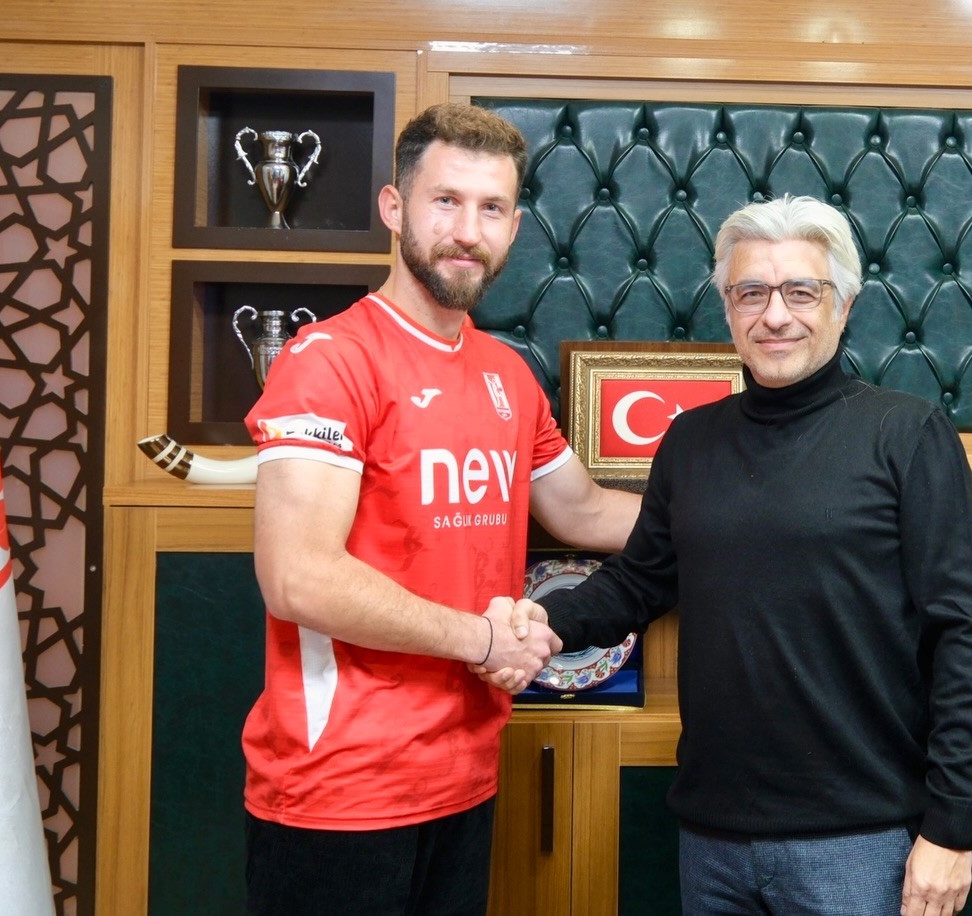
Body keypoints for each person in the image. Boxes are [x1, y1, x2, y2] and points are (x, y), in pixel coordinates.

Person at [495, 195, 972, 916]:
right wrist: (541, 624)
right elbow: (639, 582)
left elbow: (964, 640)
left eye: (801, 291)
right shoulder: (690, 441)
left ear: (843, 306)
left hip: (863, 841)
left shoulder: (908, 435)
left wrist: (951, 828)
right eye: (751, 292)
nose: (775, 315)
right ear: (728, 309)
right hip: (713, 839)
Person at [239, 102, 640, 916]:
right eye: (445, 201)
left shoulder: (506, 373)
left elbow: (584, 511)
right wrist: (483, 639)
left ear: (513, 228)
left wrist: (742, 508)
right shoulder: (329, 362)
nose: (466, 231)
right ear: (394, 208)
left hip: (463, 774)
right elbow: (296, 577)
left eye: (490, 209)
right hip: (341, 788)